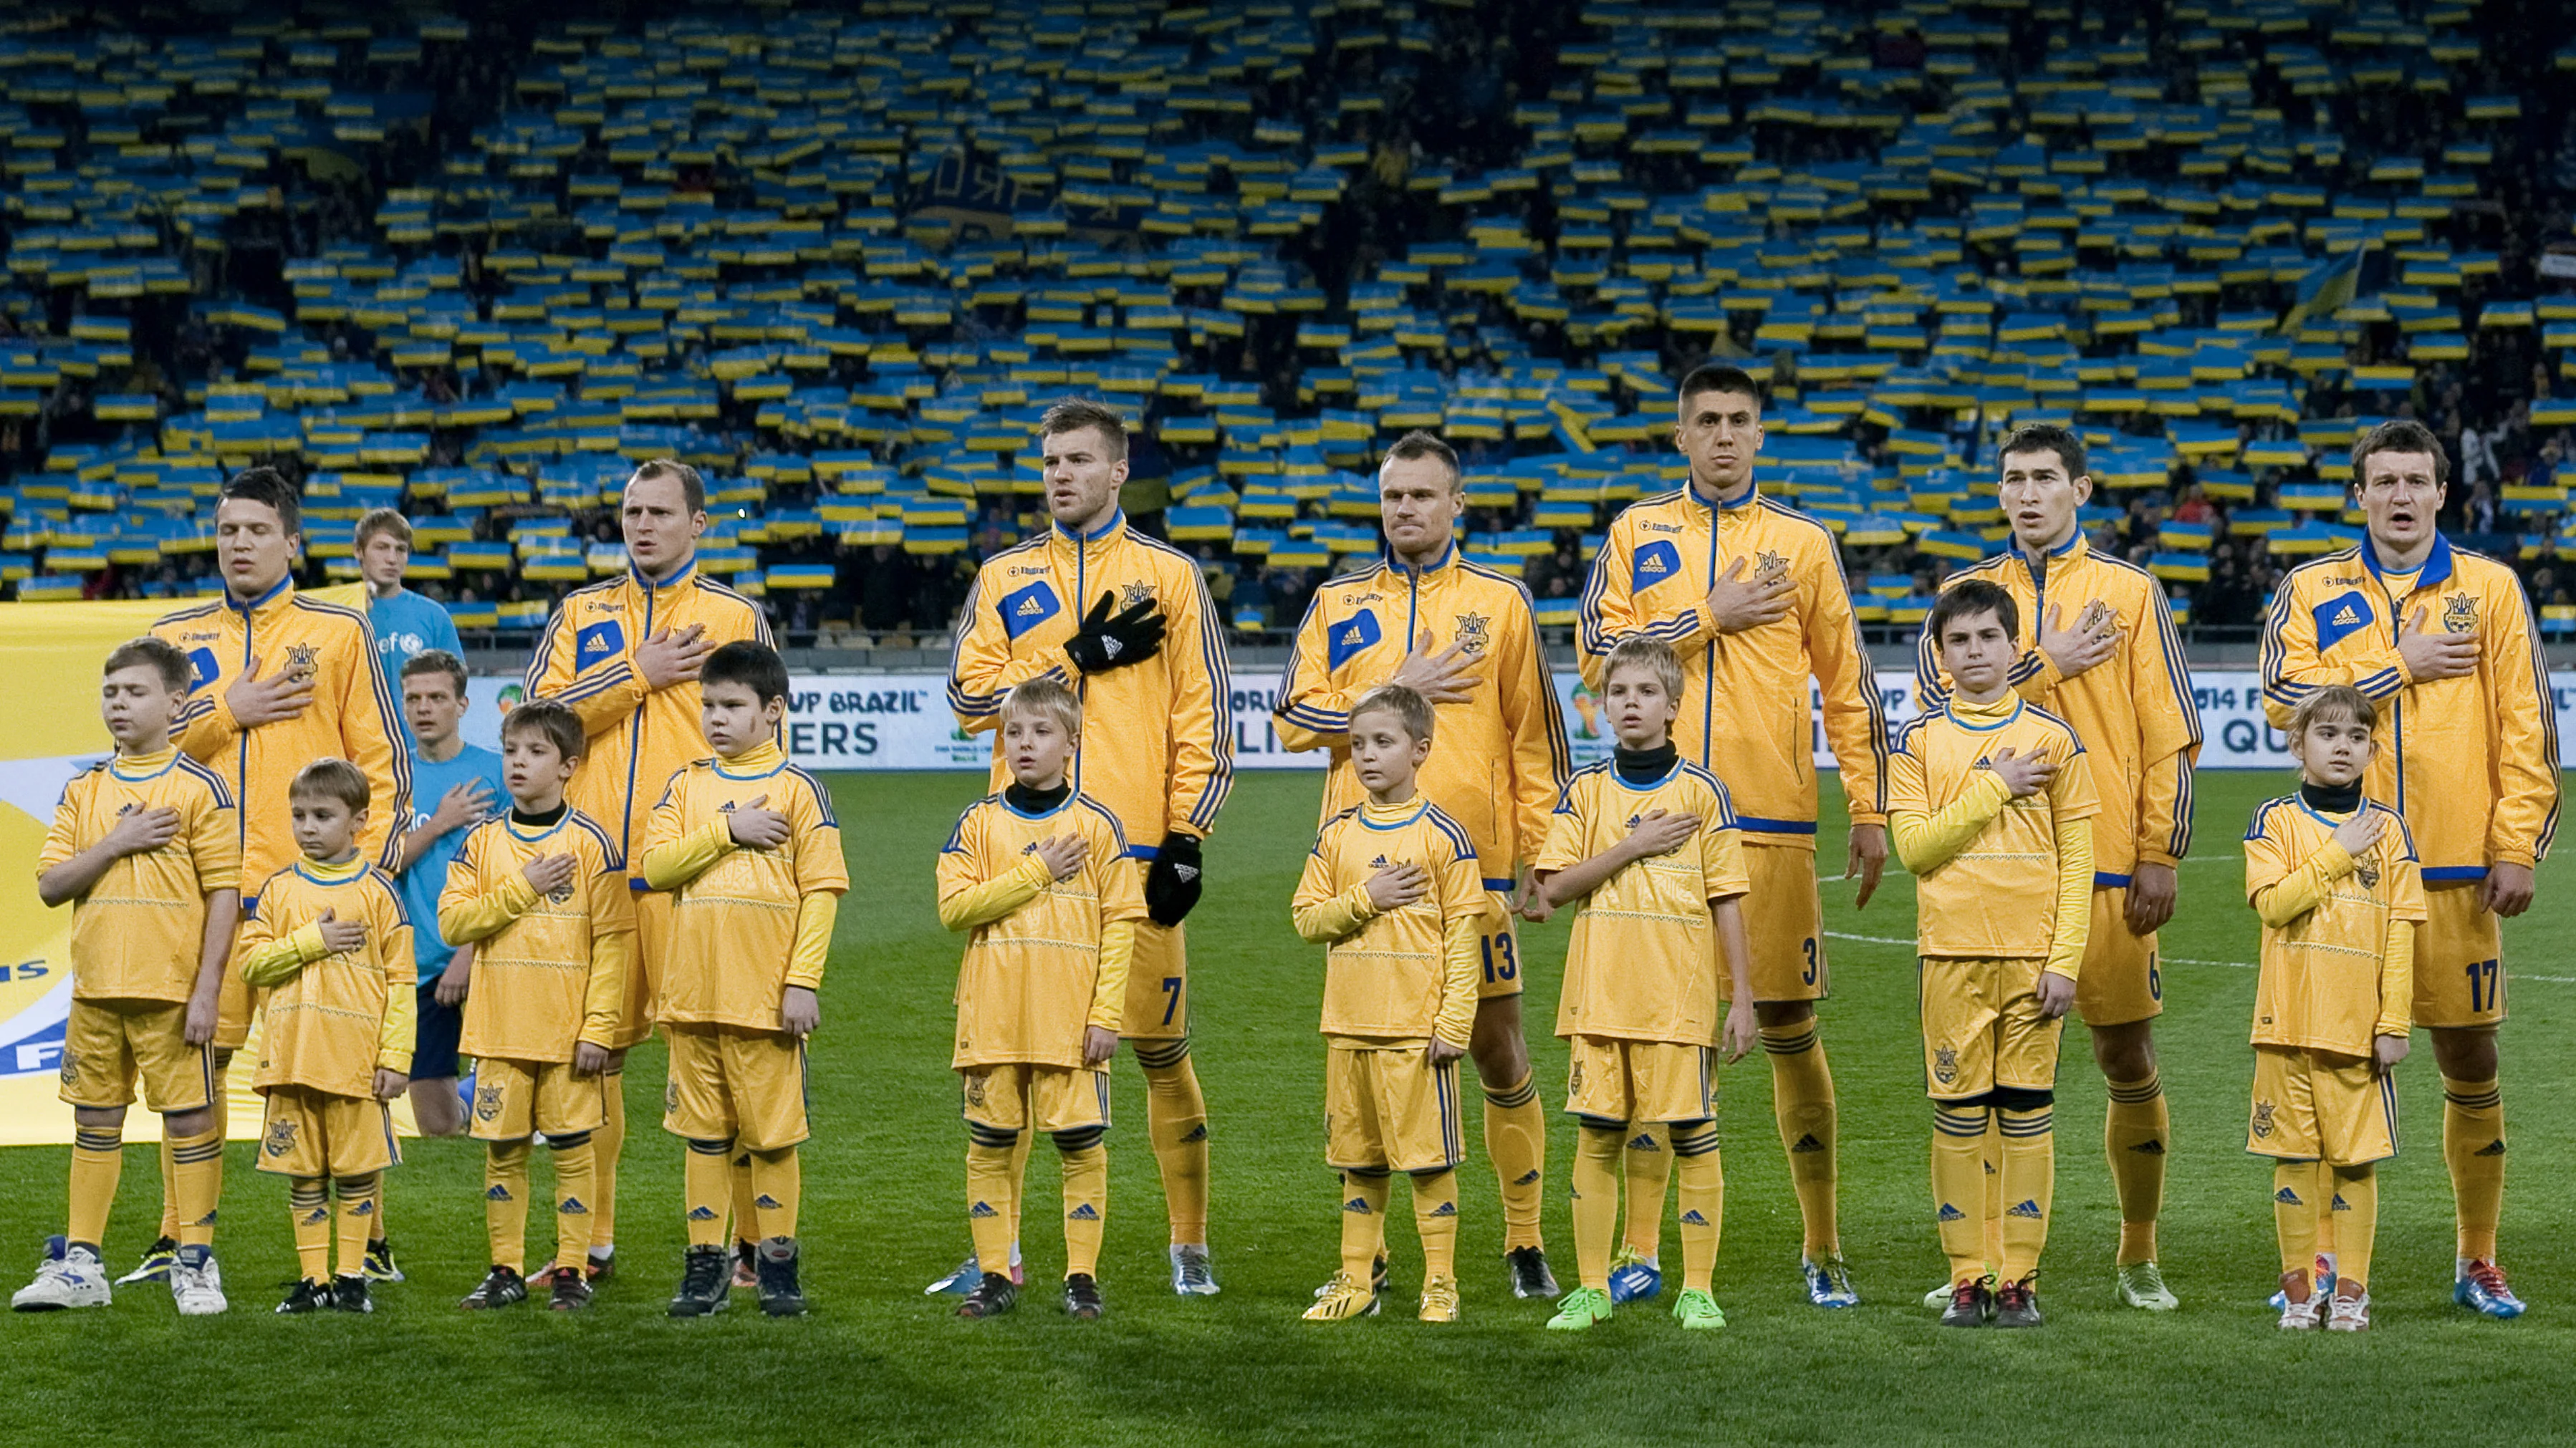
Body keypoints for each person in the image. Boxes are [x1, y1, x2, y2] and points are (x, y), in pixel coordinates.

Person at [1575, 363, 1886, 1307]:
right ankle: (1640, 1250)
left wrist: (1868, 807)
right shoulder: (1635, 532)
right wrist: (1708, 615)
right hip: (1653, 818)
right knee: (1659, 1036)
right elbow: (1597, 658)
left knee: (1788, 1025)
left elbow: (1847, 683)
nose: (1721, 435)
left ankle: (1822, 1245)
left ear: (1758, 434)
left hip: (1770, 817)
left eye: (1737, 420)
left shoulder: (1803, 543)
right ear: (1681, 434)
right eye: (1705, 420)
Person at [2259, 419, 2557, 1318]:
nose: (2398, 496)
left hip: (2455, 867)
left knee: (2469, 1056)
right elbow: (2281, 699)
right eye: (2382, 481)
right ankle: (2321, 1263)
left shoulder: (2489, 588)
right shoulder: (2310, 587)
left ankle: (2477, 1259)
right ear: (2357, 495)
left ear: (2440, 493)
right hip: (2341, 868)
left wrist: (2514, 844)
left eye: (2414, 481)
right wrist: (2396, 665)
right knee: (2334, 1067)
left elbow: (2524, 725)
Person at [943, 398, 1233, 1296]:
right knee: (1017, 1057)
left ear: (1117, 472)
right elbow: (966, 697)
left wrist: (1186, 838)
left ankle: (1188, 1243)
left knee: (1158, 1052)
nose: (1060, 475)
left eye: (1077, 460)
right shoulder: (1003, 576)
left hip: (1133, 857)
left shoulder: (1170, 575)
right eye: (1049, 462)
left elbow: (1204, 718)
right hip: (1021, 856)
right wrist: (1070, 657)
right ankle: (999, 1254)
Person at [1273, 430, 1572, 1299]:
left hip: (1473, 874)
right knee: (1368, 1069)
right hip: (1363, 879)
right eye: (1392, 496)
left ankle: (1523, 1240)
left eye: (1421, 495)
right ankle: (1368, 1258)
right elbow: (1289, 718)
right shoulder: (1336, 602)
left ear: (1455, 504)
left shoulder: (1500, 603)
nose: (1404, 509)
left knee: (1495, 1050)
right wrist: (1385, 687)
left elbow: (1533, 740)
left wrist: (1542, 854)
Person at [1914, 424, 2201, 1311]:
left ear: (2079, 489)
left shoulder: (2130, 591)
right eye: (2013, 479)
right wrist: (2045, 664)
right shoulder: (1965, 595)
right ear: (1999, 492)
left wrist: (2157, 851)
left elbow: (2168, 729)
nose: (2027, 493)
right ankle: (1979, 1266)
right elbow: (1932, 709)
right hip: (1982, 876)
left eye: (2045, 477)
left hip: (2103, 867)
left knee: (2124, 1054)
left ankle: (2137, 1255)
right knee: (1984, 1083)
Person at [146, 466, 410, 1288]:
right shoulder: (175, 636)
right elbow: (144, 753)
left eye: (257, 531)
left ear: (292, 542)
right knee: (200, 1062)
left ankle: (369, 1242)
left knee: (343, 1068)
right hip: (205, 894)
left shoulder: (339, 631)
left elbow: (381, 760)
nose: (240, 544)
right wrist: (229, 710)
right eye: (228, 530)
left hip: (315, 894)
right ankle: (179, 1239)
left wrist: (372, 869)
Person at [527, 458, 772, 1288]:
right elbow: (537, 722)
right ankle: (588, 1246)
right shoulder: (581, 612)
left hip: (697, 874)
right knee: (589, 1061)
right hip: (594, 875)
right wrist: (635, 673)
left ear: (698, 523)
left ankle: (748, 1247)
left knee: (721, 1059)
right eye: (632, 511)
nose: (642, 525)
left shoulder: (735, 617)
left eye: (660, 512)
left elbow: (768, 748)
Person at [1527, 637, 1758, 1333]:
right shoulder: (1585, 792)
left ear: (1673, 706)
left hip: (1677, 1002)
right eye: (1618, 692)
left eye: (1646, 692)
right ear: (1601, 705)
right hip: (1599, 999)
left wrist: (1742, 999)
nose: (1630, 703)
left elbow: (1727, 900)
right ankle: (1592, 1288)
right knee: (1597, 1138)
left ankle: (1698, 1289)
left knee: (1693, 1138)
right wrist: (1631, 846)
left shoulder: (1703, 793)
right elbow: (1553, 889)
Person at [1890, 580, 2096, 1329]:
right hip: (1951, 957)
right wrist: (1994, 786)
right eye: (1959, 641)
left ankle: (2018, 1281)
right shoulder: (1916, 742)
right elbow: (1915, 850)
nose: (1974, 652)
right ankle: (1965, 1278)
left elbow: (2079, 860)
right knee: (1957, 1118)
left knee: (2026, 1115)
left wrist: (2065, 960)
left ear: (2014, 647)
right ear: (1939, 655)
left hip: (2033, 961)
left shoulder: (2054, 740)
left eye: (1987, 638)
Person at [14, 639, 239, 1316]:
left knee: (191, 1121)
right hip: (94, 992)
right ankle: (82, 1264)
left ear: (175, 704)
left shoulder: (200, 788)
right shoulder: (83, 790)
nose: (118, 703)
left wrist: (208, 990)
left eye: (135, 692)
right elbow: (51, 885)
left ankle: (195, 1262)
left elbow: (225, 894)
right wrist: (115, 843)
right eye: (111, 692)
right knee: (94, 1121)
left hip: (172, 992)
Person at [639, 641, 846, 1318]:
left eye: (732, 705)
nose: (716, 718)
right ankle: (706, 1266)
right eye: (708, 705)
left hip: (764, 1000)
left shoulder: (799, 790)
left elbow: (822, 892)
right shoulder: (686, 786)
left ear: (774, 710)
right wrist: (728, 830)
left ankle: (778, 1265)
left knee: (771, 1137)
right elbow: (655, 869)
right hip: (692, 996)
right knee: (704, 1135)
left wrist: (802, 981)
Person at [934, 677, 1143, 1322]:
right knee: (991, 1144)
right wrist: (1037, 871)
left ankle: (1082, 1277)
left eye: (1041, 731)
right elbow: (954, 909)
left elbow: (1121, 927)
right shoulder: (978, 822)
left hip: (1070, 1021)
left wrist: (1106, 1015)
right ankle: (996, 1274)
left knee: (1079, 1145)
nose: (1024, 744)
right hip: (992, 1015)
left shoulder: (1098, 826)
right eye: (1014, 732)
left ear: (1072, 743)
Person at [1291, 685, 1484, 1324]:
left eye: (1383, 742)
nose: (1367, 756)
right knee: (1359, 1162)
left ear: (1420, 750)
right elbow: (1307, 920)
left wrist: (1455, 1022)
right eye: (1358, 745)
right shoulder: (1337, 835)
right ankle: (1356, 1281)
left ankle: (1441, 1283)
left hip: (1416, 1032)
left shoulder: (1443, 836)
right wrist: (1366, 898)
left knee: (1429, 1164)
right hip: (1349, 1027)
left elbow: (1464, 937)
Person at [436, 700, 633, 1313]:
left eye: (536, 752)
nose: (518, 762)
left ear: (569, 766)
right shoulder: (481, 843)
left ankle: (572, 1270)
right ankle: (505, 1270)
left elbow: (614, 944)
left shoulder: (593, 845)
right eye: (511, 751)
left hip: (568, 1035)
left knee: (573, 1152)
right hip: (500, 1032)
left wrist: (599, 1027)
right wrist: (525, 886)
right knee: (504, 1152)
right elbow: (453, 924)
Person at [2244, 685, 2423, 1333]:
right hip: (2285, 1023)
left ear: (2373, 751)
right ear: (2298, 744)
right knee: (2292, 1158)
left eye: (2356, 737)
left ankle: (2352, 1291)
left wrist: (2394, 1022)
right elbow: (2274, 905)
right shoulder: (2273, 821)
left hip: (2357, 1029)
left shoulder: (2392, 830)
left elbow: (2401, 932)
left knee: (2354, 1161)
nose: (2342, 747)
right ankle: (2299, 1290)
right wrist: (2339, 851)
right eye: (2327, 734)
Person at [234, 759, 414, 1315]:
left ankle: (352, 1277)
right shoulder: (277, 890)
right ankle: (313, 1279)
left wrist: (396, 1056)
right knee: (304, 1174)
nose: (307, 827)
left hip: (356, 1064)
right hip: (292, 1061)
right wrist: (313, 940)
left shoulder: (379, 892)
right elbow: (251, 964)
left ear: (359, 821)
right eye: (299, 815)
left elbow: (402, 981)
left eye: (322, 815)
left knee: (356, 1173)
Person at [393, 650, 505, 1139]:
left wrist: (470, 950)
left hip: (491, 952)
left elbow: (515, 875)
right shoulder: (389, 776)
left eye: (437, 697)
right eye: (414, 698)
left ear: (462, 704)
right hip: (418, 960)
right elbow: (379, 865)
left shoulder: (497, 773)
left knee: (513, 1111)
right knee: (437, 1127)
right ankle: (466, 1095)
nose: (424, 708)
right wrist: (439, 823)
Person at [355, 508, 463, 735]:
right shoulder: (339, 613)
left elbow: (455, 687)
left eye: (400, 549)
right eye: (382, 547)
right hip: (355, 748)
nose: (392, 559)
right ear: (359, 551)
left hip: (418, 749)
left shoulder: (434, 616)